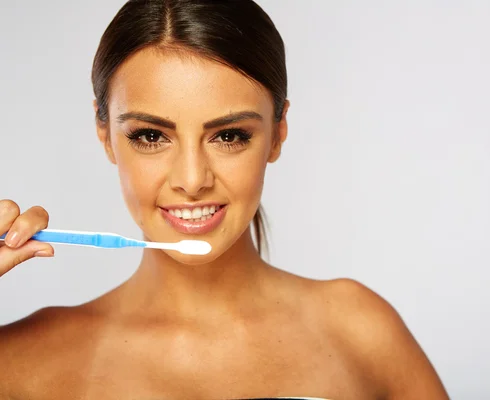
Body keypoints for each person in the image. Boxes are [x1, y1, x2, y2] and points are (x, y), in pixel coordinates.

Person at [0, 1, 449, 399]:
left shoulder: (361, 330)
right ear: (106, 136)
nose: (193, 180)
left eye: (229, 135)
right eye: (151, 136)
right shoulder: (19, 362)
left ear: (277, 133)